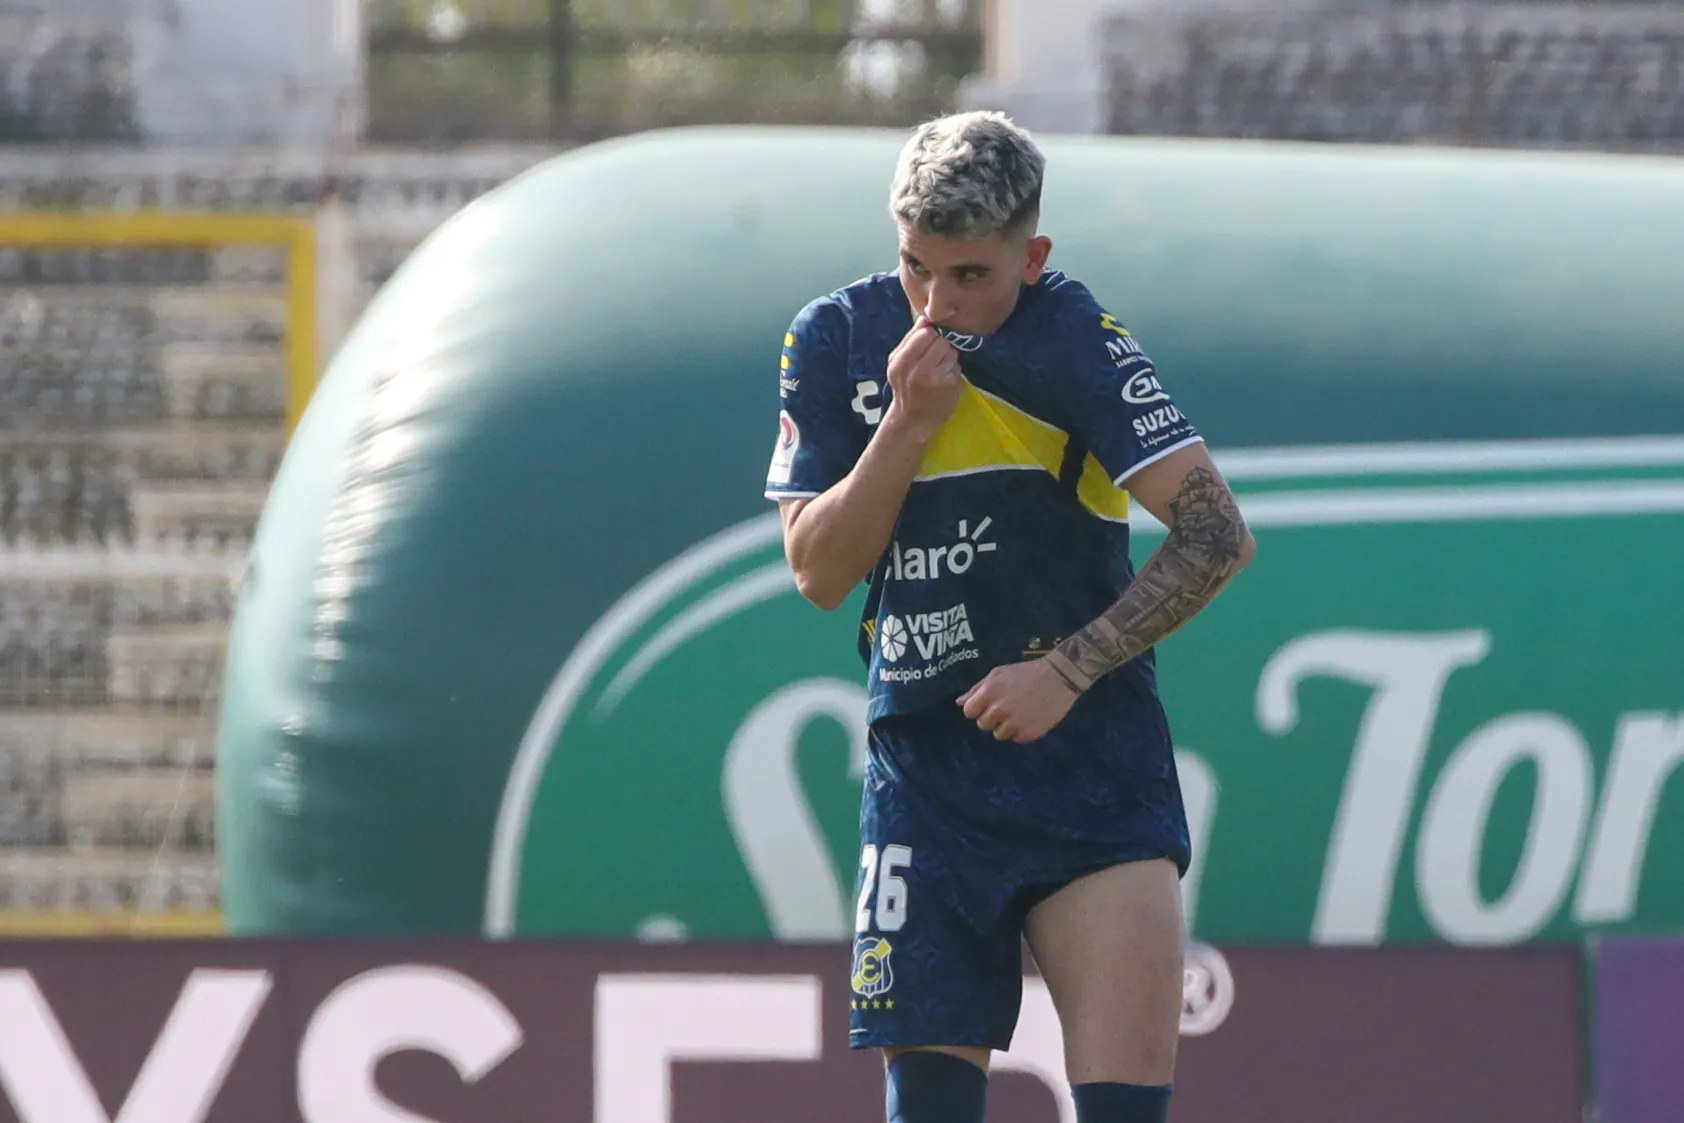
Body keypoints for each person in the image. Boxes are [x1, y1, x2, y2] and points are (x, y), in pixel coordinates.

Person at [763, 110, 1256, 1123]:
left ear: (1031, 256)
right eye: (915, 269)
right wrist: (906, 423)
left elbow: (1215, 535)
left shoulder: (1076, 338)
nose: (936, 305)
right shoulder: (838, 338)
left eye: (970, 277)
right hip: (925, 784)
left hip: (1090, 774)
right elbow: (817, 572)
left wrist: (1068, 669)